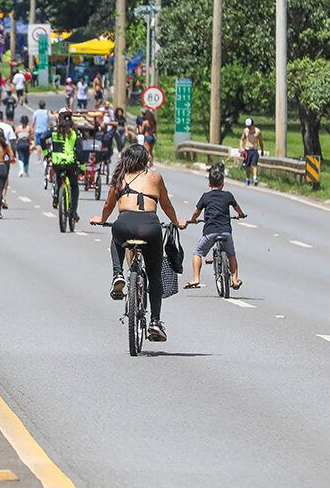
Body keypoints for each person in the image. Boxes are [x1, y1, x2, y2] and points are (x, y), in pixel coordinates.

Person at [90, 145, 186, 342]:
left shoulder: (119, 177)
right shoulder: (155, 177)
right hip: (150, 227)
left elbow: (109, 205)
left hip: (124, 225)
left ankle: (118, 273)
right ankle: (155, 322)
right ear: (145, 160)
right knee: (154, 274)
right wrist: (176, 222)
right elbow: (166, 204)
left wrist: (101, 218)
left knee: (116, 237)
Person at [185, 166, 246, 290]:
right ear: (223, 184)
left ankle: (196, 278)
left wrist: (193, 220)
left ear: (209, 183)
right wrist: (241, 214)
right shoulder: (228, 195)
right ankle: (234, 280)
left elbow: (197, 212)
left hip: (210, 232)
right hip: (226, 232)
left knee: (197, 252)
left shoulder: (206, 196)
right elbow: (237, 208)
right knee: (231, 255)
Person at [49, 111, 82, 221]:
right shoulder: (74, 133)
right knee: (74, 187)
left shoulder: (54, 131)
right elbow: (80, 152)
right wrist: (82, 168)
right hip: (70, 163)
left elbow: (41, 138)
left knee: (59, 179)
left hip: (57, 163)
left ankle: (57, 197)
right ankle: (73, 211)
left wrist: (46, 154)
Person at [239, 117, 262, 186]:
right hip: (247, 150)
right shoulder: (245, 131)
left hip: (254, 149)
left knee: (254, 164)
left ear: (253, 124)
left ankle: (255, 178)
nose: (249, 128)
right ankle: (248, 178)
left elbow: (261, 141)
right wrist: (241, 147)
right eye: (248, 127)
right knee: (247, 166)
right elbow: (242, 139)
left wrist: (262, 150)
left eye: (250, 126)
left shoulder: (257, 132)